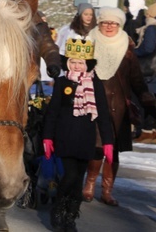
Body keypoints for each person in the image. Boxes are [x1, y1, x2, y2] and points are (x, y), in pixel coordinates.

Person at [82, 7, 156, 206]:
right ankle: (89, 185)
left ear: (120, 25)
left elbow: (137, 80)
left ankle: (107, 191)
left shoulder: (127, 49)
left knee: (112, 150)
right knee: (96, 147)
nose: (109, 26)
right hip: (93, 103)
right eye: (105, 22)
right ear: (99, 24)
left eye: (114, 23)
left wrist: (146, 100)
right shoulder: (87, 43)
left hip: (118, 107)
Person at [43, 38, 114, 231]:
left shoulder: (95, 84)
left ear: (87, 64)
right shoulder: (62, 82)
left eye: (80, 62)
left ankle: (71, 216)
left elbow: (103, 115)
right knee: (70, 175)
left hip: (85, 139)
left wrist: (108, 142)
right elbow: (53, 112)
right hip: (64, 137)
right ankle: (58, 209)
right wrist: (47, 137)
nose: (76, 65)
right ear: (67, 63)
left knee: (78, 181)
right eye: (73, 61)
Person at [133, 1, 156, 143]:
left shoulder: (151, 28)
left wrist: (134, 52)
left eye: (148, 13)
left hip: (149, 70)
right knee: (155, 101)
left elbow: (147, 49)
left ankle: (147, 132)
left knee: (146, 101)